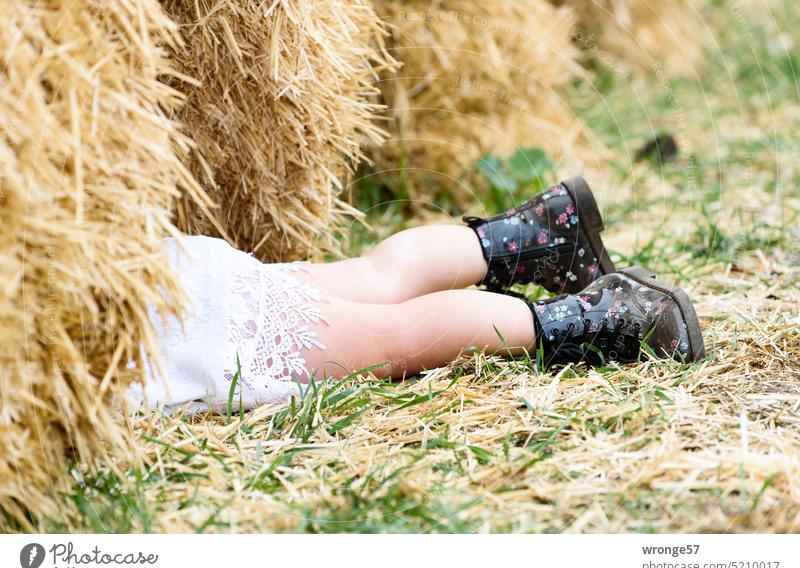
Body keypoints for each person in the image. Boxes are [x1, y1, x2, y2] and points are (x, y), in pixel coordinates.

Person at [129, 177, 704, 413]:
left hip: (176, 335)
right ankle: (540, 233)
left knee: (395, 338)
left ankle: (605, 318)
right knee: (375, 277)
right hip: (175, 277)